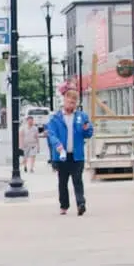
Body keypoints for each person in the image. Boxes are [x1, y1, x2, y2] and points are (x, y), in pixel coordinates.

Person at [47, 86, 93, 215]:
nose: (71, 105)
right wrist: (57, 145)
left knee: (77, 180)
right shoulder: (56, 118)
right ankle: (64, 205)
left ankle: (81, 203)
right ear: (64, 100)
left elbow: (89, 133)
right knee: (63, 182)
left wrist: (86, 129)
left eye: (73, 102)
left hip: (77, 155)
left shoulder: (81, 117)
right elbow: (51, 134)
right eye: (69, 101)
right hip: (62, 156)